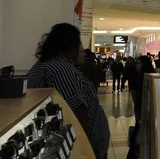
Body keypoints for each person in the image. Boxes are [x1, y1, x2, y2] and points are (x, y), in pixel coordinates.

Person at [27, 24, 110, 159]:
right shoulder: (60, 70)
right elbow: (76, 113)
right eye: (79, 44)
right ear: (71, 46)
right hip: (84, 150)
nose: (82, 49)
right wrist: (85, 152)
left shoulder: (46, 65)